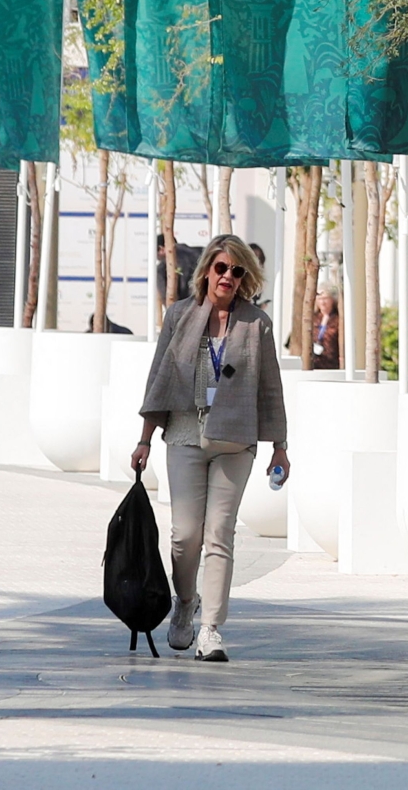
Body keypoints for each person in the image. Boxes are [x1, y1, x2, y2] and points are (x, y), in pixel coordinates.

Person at [132, 234, 288, 663]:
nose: (229, 278)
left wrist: (280, 447)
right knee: (185, 536)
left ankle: (212, 630)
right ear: (207, 271)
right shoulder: (179, 316)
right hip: (184, 433)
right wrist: (145, 439)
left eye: (237, 272)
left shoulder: (256, 324)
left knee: (220, 534)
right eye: (222, 268)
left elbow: (270, 388)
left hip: (235, 439)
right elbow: (159, 379)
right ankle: (185, 601)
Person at [311, 288, 340, 369]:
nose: (322, 302)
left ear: (332, 300)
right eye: (320, 299)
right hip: (315, 361)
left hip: (332, 362)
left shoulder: (338, 319)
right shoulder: (313, 318)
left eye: (325, 299)